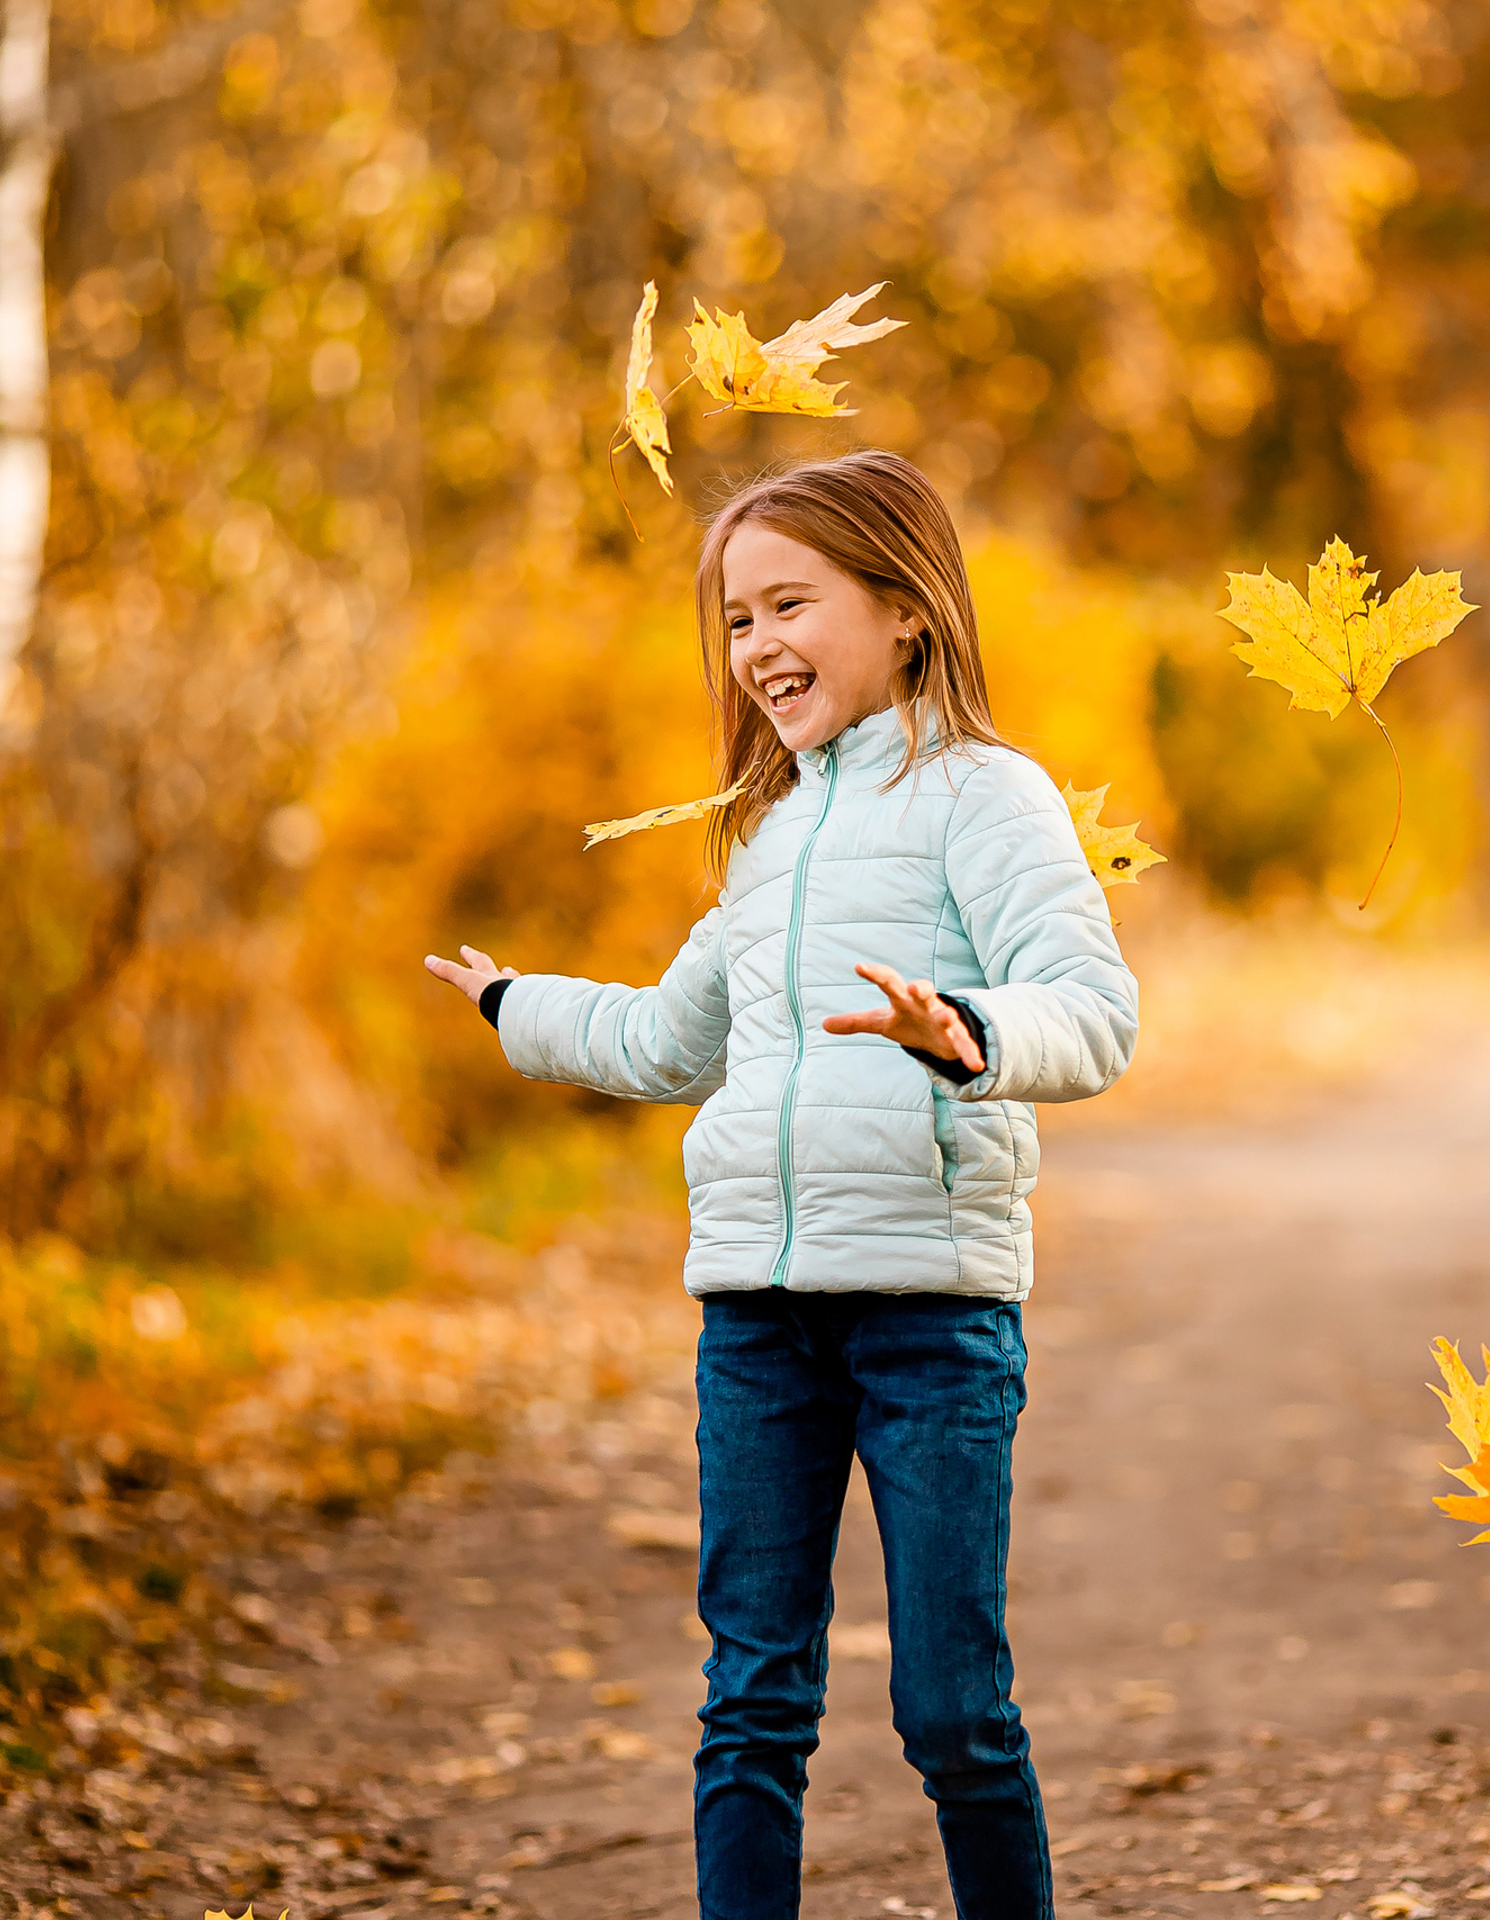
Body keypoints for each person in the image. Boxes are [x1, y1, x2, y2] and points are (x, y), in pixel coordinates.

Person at [425, 449, 1138, 1920]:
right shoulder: (770, 837)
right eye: (736, 622)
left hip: (931, 1318)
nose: (755, 651)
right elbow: (668, 1035)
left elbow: (1096, 1009)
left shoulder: (986, 800)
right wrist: (517, 1006)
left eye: (788, 607)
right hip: (756, 1321)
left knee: (953, 1713)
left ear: (905, 610)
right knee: (750, 1700)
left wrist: (967, 1032)